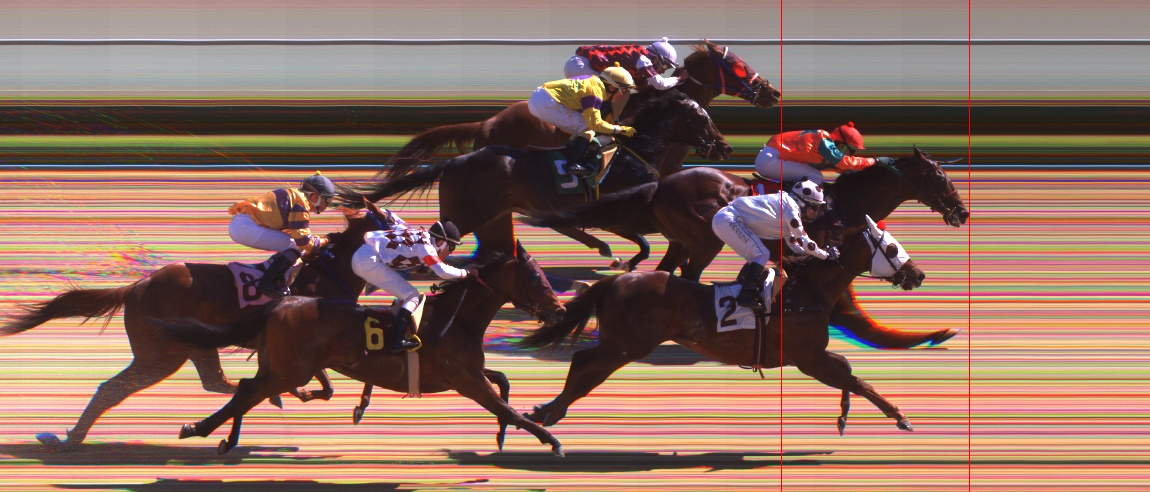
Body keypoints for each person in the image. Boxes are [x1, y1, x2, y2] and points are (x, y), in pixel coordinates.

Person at [711, 178, 839, 309]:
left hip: (726, 220)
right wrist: (825, 255)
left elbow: (795, 244)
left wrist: (812, 255)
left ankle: (742, 289)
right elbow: (804, 240)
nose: (816, 212)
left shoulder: (788, 207)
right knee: (761, 254)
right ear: (802, 202)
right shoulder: (792, 210)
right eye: (814, 207)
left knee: (757, 256)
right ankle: (745, 295)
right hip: (728, 220)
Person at [351, 212, 468, 353]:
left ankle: (393, 322)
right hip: (369, 262)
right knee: (412, 296)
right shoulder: (426, 247)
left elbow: (391, 217)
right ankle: (396, 340)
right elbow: (441, 271)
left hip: (363, 255)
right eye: (451, 247)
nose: (450, 253)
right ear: (441, 242)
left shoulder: (415, 231)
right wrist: (465, 273)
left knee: (405, 292)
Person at [228, 171, 336, 297]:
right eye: (327, 200)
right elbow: (304, 242)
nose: (327, 206)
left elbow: (294, 234)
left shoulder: (295, 197)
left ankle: (270, 274)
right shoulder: (301, 204)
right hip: (245, 227)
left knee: (290, 243)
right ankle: (268, 282)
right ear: (315, 197)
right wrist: (327, 239)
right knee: (296, 246)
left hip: (241, 224)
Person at [528, 63, 639, 176]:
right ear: (612, 87)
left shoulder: (594, 81)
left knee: (583, 126)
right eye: (624, 90)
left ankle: (570, 151)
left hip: (541, 97)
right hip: (545, 102)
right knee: (587, 128)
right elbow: (595, 124)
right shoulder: (595, 91)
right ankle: (572, 163)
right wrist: (620, 129)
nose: (625, 95)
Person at [754, 122, 897, 184]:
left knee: (813, 177)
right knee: (815, 176)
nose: (852, 154)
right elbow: (844, 162)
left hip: (772, 160)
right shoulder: (824, 140)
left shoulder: (829, 150)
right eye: (852, 150)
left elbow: (846, 169)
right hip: (771, 159)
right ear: (841, 145)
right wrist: (874, 161)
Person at [563, 37, 689, 92]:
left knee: (620, 89)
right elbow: (660, 84)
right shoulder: (643, 59)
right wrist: (679, 78)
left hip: (578, 65)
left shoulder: (640, 62)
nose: (663, 72)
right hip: (581, 66)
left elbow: (644, 86)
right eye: (665, 66)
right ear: (656, 59)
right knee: (617, 91)